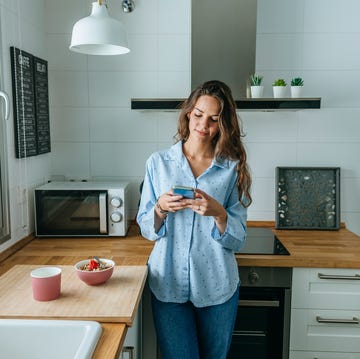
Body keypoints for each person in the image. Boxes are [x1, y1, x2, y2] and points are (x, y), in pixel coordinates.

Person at [136, 80, 252, 359]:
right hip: (168, 282)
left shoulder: (232, 169)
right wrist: (160, 208)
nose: (203, 125)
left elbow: (238, 239)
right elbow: (145, 227)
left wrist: (219, 213)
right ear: (188, 113)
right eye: (199, 115)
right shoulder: (158, 163)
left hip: (217, 285)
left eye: (213, 119)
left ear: (223, 124)